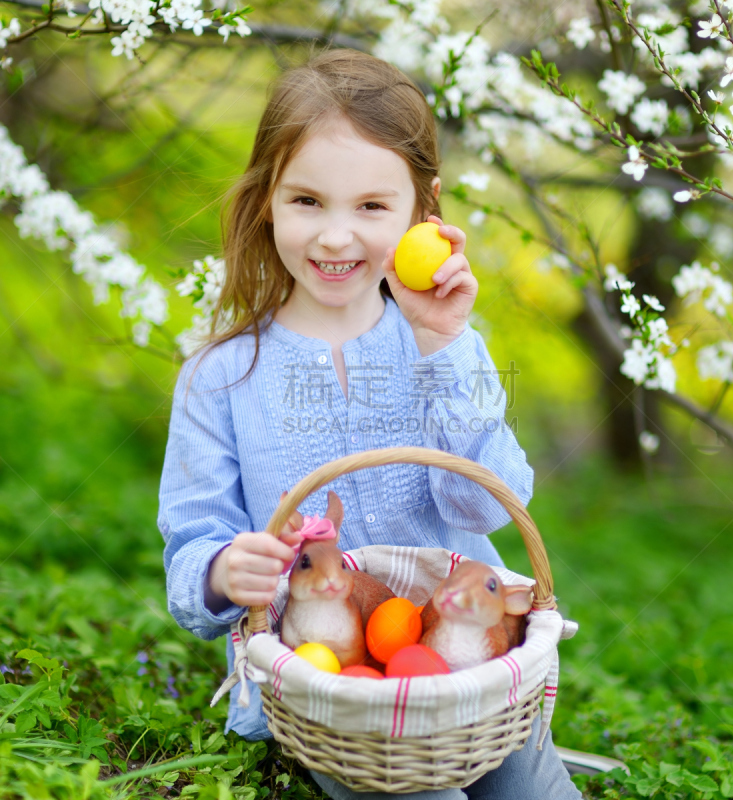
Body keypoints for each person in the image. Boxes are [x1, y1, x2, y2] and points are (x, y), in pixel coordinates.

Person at [158, 48, 581, 800]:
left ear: (424, 211)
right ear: (267, 200)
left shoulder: (448, 345)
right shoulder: (219, 377)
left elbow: (487, 503)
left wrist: (444, 345)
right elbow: (192, 550)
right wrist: (226, 570)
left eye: (372, 207)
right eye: (307, 202)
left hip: (466, 668)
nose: (334, 238)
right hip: (329, 692)